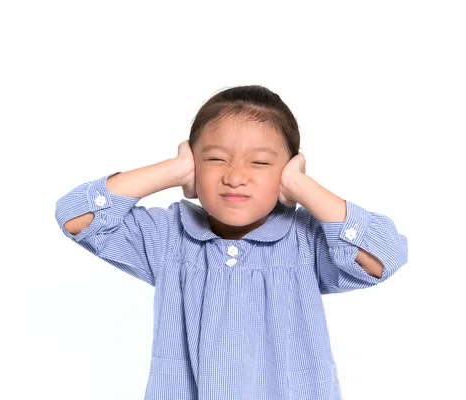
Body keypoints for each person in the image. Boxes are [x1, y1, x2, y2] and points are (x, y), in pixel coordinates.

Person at [54, 85, 409, 400]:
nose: (235, 176)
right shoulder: (168, 237)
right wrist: (172, 171)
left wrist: (302, 187)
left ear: (289, 170)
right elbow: (76, 217)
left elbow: (384, 256)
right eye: (215, 158)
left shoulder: (306, 242)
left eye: (260, 162)